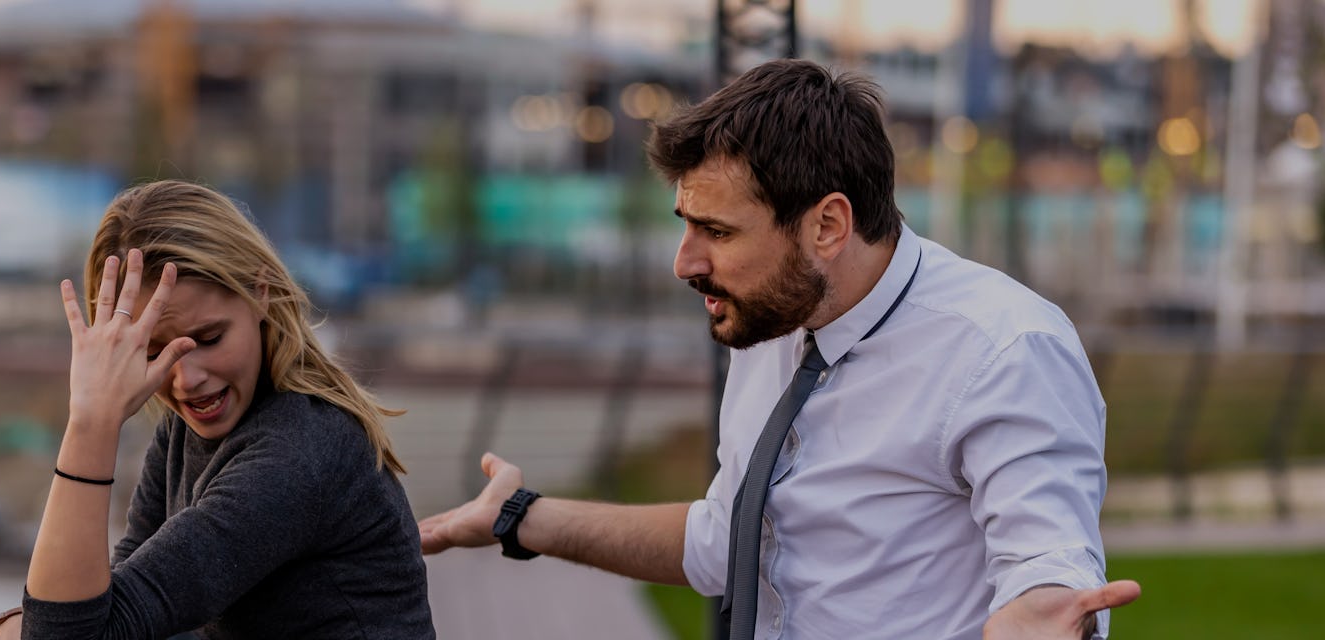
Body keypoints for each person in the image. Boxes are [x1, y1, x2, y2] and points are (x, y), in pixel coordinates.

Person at [417, 59, 1139, 639]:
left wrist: (1043, 609)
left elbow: (1048, 559)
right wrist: (521, 517)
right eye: (686, 224)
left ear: (827, 225)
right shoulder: (773, 316)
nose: (684, 262)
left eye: (719, 232)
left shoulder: (1006, 349)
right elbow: (721, 543)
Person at [0, 180, 435, 639]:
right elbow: (105, 611)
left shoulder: (299, 454)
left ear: (260, 293)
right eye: (153, 352)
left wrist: (91, 422)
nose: (187, 379)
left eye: (209, 339)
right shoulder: (183, 436)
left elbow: (70, 634)